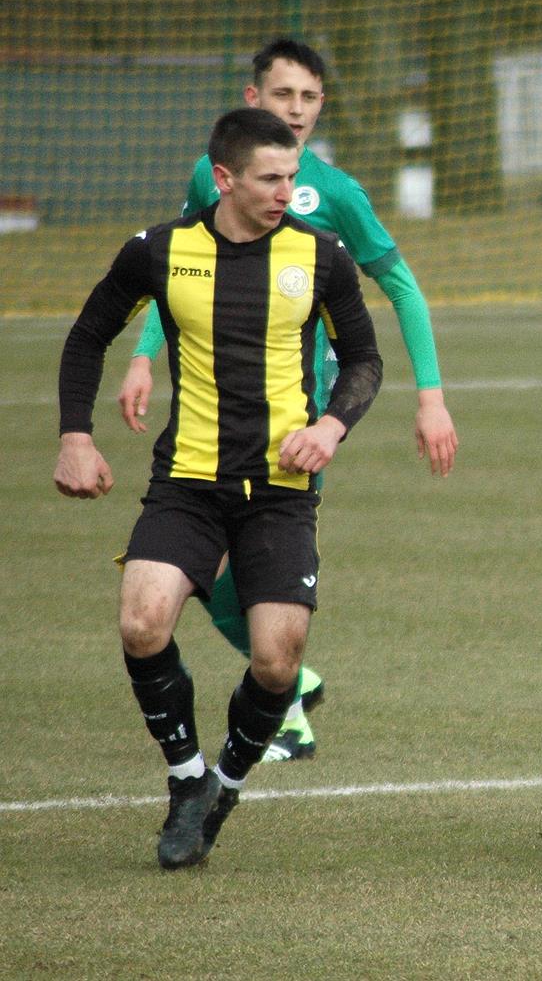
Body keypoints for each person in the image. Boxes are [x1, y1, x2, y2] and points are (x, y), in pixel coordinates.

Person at [55, 107, 384, 869]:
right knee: (142, 623)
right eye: (272, 179)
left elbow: (364, 359)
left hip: (278, 492)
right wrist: (76, 435)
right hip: (188, 484)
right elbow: (87, 336)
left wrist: (332, 427)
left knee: (278, 659)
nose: (287, 192)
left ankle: (225, 786)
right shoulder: (161, 251)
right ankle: (185, 779)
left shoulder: (321, 256)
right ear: (226, 178)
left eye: (294, 177)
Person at [116, 38, 459, 762]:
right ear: (253, 100)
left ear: (321, 106)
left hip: (300, 413)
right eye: (282, 96)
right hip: (215, 405)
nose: (294, 110)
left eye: (307, 98)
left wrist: (431, 397)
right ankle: (289, 683)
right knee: (199, 568)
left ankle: (287, 702)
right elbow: (180, 267)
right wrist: (144, 357)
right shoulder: (215, 178)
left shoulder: (334, 193)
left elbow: (400, 286)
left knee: (247, 565)